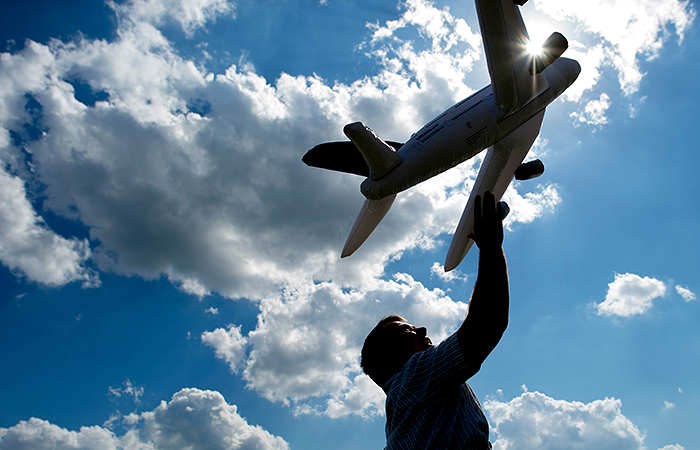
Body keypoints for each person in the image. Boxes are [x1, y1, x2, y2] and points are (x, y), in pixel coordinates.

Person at [361, 191, 509, 450]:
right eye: (406, 330)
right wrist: (491, 247)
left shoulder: (404, 408)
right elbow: (486, 324)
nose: (422, 328)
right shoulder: (414, 377)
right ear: (390, 356)